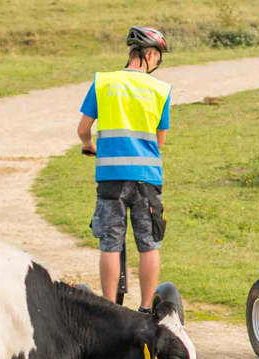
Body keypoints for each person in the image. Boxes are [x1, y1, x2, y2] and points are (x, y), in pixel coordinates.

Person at [76, 26, 172, 309]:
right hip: (146, 177)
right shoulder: (160, 89)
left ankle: (110, 309)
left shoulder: (103, 83)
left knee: (110, 244)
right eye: (158, 57)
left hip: (111, 176)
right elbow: (160, 140)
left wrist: (90, 145)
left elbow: (82, 129)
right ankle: (145, 308)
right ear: (150, 55)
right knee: (148, 244)